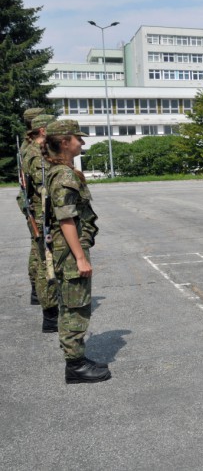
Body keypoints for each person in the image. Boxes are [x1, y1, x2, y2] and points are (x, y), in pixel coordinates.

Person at [44, 120, 110, 384]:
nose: (82, 143)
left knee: (73, 304)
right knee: (76, 306)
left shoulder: (59, 170)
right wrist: (80, 257)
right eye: (78, 139)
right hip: (70, 251)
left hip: (67, 248)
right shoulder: (64, 175)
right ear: (64, 142)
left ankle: (77, 359)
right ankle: (75, 365)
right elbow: (66, 219)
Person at [23, 114, 60, 332]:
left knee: (40, 259)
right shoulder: (37, 154)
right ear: (43, 131)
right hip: (42, 214)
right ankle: (51, 316)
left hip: (37, 212)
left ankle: (42, 299)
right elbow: (44, 185)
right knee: (46, 264)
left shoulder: (31, 150)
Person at [17, 108, 45, 306]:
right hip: (37, 205)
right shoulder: (33, 149)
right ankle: (40, 291)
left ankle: (37, 290)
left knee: (36, 248)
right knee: (41, 251)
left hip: (31, 204)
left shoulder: (26, 145)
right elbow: (40, 181)